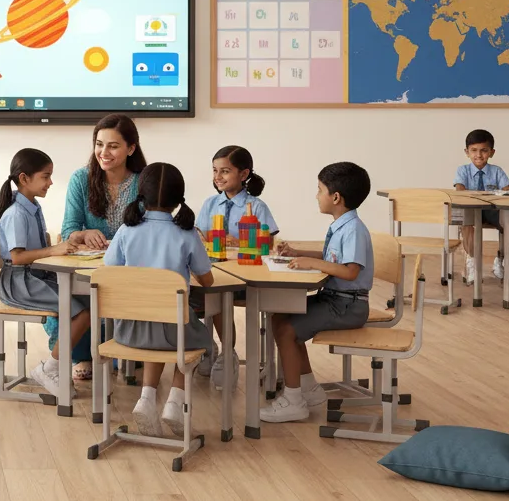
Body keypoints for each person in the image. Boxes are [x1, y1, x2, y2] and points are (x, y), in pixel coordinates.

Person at [104, 162, 215, 437]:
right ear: (179, 199)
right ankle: (175, 402)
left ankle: (146, 399)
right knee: (199, 340)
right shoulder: (186, 233)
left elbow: (109, 272)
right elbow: (208, 281)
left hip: (128, 331)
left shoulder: (126, 231)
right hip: (172, 330)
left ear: (142, 195)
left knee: (158, 328)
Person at [262, 162, 374, 423]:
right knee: (280, 316)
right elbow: (330, 257)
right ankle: (308, 388)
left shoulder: (353, 229)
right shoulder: (340, 225)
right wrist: (299, 254)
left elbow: (349, 271)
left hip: (348, 305)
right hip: (336, 300)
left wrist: (312, 264)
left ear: (335, 198)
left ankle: (293, 400)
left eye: (319, 190)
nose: (316, 195)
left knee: (288, 330)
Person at [46, 114, 146, 380]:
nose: (104, 152)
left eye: (113, 146)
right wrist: (83, 232)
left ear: (131, 148)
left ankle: (123, 348)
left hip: (129, 269)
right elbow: (68, 230)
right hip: (88, 270)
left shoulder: (143, 181)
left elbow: (151, 227)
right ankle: (82, 354)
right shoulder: (81, 179)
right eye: (99, 144)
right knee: (79, 299)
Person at [0, 148, 89, 401]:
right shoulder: (16, 213)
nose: (50, 182)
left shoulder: (32, 206)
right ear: (24, 178)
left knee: (87, 299)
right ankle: (50, 368)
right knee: (80, 311)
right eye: (45, 177)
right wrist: (53, 249)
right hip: (18, 282)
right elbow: (17, 257)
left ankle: (55, 366)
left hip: (33, 276)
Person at [194, 145, 278, 386]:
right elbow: (200, 235)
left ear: (243, 174)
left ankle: (226, 352)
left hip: (244, 275)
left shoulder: (256, 206)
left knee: (222, 296)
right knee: (199, 294)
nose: (217, 177)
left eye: (225, 171)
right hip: (215, 271)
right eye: (214, 171)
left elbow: (269, 242)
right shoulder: (211, 204)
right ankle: (205, 345)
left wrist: (242, 240)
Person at [453, 129, 509, 283]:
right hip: (471, 210)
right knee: (467, 224)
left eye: (484, 151)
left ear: (491, 152)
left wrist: (504, 191)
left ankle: (500, 259)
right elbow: (460, 189)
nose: (479, 155)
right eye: (474, 151)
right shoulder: (463, 170)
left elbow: (508, 189)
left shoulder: (497, 171)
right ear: (467, 152)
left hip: (492, 210)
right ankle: (471, 262)